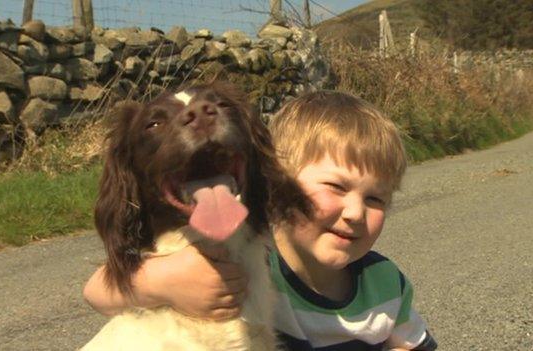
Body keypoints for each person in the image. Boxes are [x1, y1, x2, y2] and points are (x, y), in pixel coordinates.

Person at [84, 90, 437, 350]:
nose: (356, 213)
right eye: (334, 186)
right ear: (282, 177)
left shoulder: (384, 283)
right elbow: (97, 289)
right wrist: (165, 279)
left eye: (375, 198)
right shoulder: (275, 267)